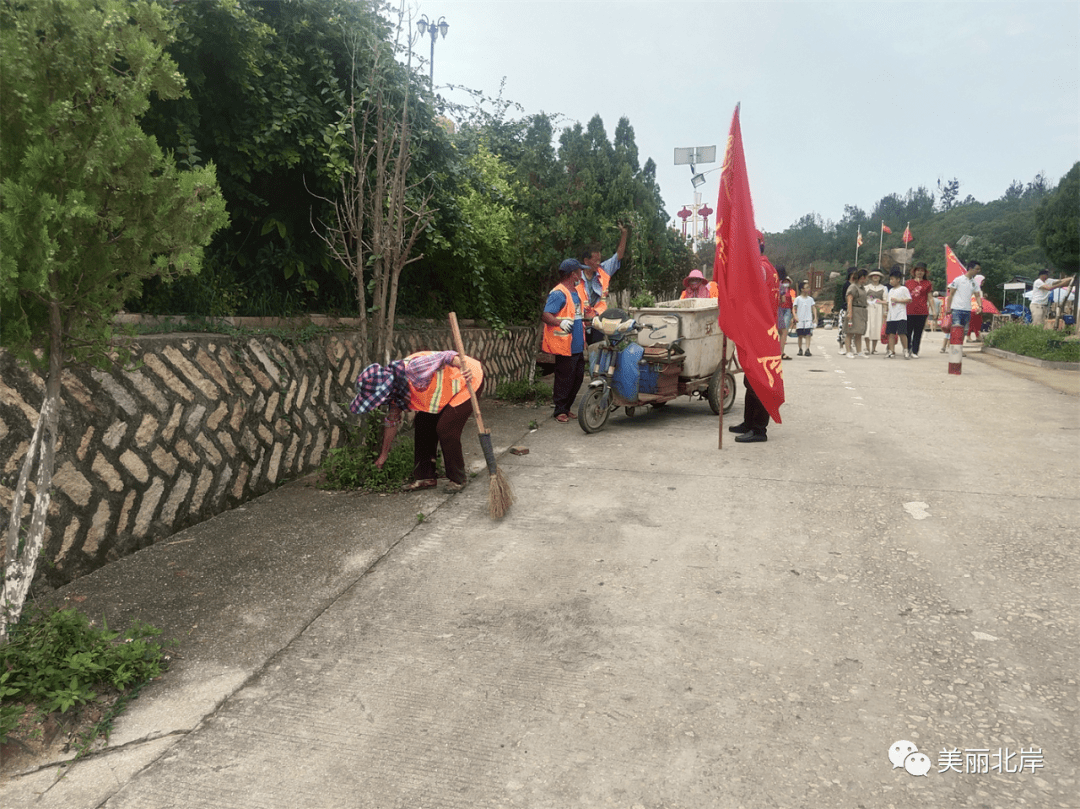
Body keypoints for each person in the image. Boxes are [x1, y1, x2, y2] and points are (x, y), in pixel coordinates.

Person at [350, 350, 483, 493]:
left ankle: (457, 478)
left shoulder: (413, 369)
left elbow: (447, 356)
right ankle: (425, 477)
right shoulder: (395, 393)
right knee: (422, 423)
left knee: (446, 429)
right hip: (447, 388)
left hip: (468, 378)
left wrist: (463, 368)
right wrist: (383, 455)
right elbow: (392, 422)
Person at [729, 233, 780, 443]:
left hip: (759, 331)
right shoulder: (768, 268)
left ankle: (759, 429)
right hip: (761, 329)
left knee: (759, 379)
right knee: (750, 378)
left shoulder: (759, 269)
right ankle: (749, 422)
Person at [542, 258, 587, 423]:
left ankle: (567, 408)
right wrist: (560, 322)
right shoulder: (559, 293)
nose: (582, 274)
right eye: (579, 271)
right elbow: (546, 315)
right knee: (564, 379)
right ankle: (559, 410)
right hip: (565, 346)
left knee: (578, 377)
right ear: (573, 274)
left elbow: (579, 316)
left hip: (577, 345)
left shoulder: (575, 293)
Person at [580, 224, 630, 344]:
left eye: (600, 260)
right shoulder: (577, 276)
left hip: (598, 321)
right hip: (581, 321)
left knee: (597, 349)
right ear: (586, 261)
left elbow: (619, 255)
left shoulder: (603, 270)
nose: (598, 263)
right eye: (595, 260)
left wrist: (624, 234)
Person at [941, 259, 982, 352]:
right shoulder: (958, 280)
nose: (978, 271)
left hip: (967, 310)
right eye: (977, 269)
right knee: (956, 330)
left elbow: (977, 296)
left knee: (963, 331)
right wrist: (948, 307)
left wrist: (980, 306)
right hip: (956, 309)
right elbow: (950, 294)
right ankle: (954, 350)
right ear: (971, 269)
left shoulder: (974, 283)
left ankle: (959, 349)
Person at [904, 262, 933, 358]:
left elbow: (930, 297)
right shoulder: (908, 282)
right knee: (908, 332)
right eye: (918, 270)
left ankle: (915, 351)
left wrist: (934, 310)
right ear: (914, 271)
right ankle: (907, 349)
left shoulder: (927, 283)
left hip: (922, 311)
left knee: (918, 332)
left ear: (925, 272)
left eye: (922, 271)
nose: (920, 272)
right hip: (909, 310)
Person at [884, 269, 912, 358]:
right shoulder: (891, 290)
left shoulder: (903, 289)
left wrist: (898, 300)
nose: (891, 281)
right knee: (891, 334)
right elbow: (888, 302)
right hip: (891, 316)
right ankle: (891, 351)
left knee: (902, 333)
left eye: (892, 279)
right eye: (890, 279)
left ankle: (906, 350)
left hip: (900, 315)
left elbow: (909, 300)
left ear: (898, 279)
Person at [844, 269, 869, 357]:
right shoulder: (853, 287)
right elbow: (849, 300)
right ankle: (848, 351)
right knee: (850, 332)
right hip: (854, 310)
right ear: (862, 278)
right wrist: (849, 313)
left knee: (859, 332)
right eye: (866, 277)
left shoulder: (862, 287)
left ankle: (859, 352)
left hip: (862, 311)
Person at [863, 269, 887, 355]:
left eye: (877, 275)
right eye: (874, 275)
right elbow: (863, 299)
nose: (875, 277)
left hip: (879, 309)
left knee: (876, 327)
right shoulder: (866, 287)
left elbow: (886, 300)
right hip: (868, 308)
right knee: (868, 327)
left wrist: (885, 311)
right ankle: (867, 347)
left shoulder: (883, 288)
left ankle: (874, 348)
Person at [793, 281, 818, 356]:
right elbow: (794, 308)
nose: (808, 289)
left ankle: (807, 349)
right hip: (800, 320)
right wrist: (795, 316)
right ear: (802, 289)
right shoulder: (798, 299)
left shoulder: (810, 299)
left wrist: (815, 317)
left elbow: (813, 308)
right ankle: (800, 349)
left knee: (808, 335)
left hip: (808, 320)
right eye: (807, 287)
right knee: (800, 336)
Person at [776, 267, 795, 360]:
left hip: (771, 309)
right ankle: (781, 352)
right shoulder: (782, 285)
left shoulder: (772, 281)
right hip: (780, 308)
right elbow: (783, 299)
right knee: (783, 331)